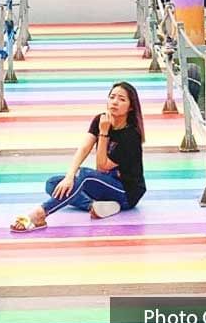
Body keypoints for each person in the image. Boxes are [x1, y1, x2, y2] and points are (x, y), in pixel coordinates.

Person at [10, 81, 146, 232]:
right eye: (112, 97)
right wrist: (69, 176)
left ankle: (40, 214)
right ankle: (93, 206)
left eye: (121, 99)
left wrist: (104, 132)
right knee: (54, 183)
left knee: (85, 175)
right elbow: (84, 148)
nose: (115, 102)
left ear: (131, 107)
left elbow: (101, 167)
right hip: (105, 185)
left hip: (126, 192)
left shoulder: (131, 136)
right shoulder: (100, 119)